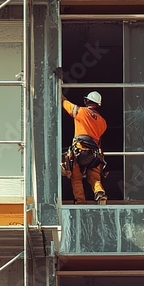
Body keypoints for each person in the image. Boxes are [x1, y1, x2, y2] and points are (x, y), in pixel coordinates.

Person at [56, 68, 109, 204]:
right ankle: (100, 193)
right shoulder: (103, 122)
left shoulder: (81, 111)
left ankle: (80, 201)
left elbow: (63, 102)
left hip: (79, 150)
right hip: (94, 154)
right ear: (98, 104)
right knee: (95, 177)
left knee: (76, 177)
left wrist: (57, 82)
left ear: (86, 101)